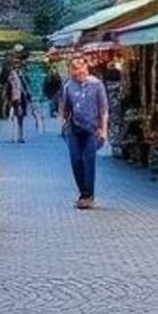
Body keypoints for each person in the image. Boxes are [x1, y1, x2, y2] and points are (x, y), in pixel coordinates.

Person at [58, 56, 109, 209]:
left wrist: (104, 130)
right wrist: (63, 124)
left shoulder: (97, 85)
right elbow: (65, 108)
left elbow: (103, 110)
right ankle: (82, 192)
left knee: (89, 161)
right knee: (75, 161)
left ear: (86, 69)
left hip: (92, 130)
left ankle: (88, 195)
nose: (78, 73)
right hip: (74, 129)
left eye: (81, 69)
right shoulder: (69, 86)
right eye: (75, 70)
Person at [6, 58, 32, 143]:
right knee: (15, 117)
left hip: (21, 98)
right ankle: (15, 136)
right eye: (16, 66)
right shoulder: (12, 76)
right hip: (15, 99)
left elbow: (26, 87)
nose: (18, 68)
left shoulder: (22, 76)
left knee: (20, 117)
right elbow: (11, 88)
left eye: (19, 66)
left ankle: (20, 136)